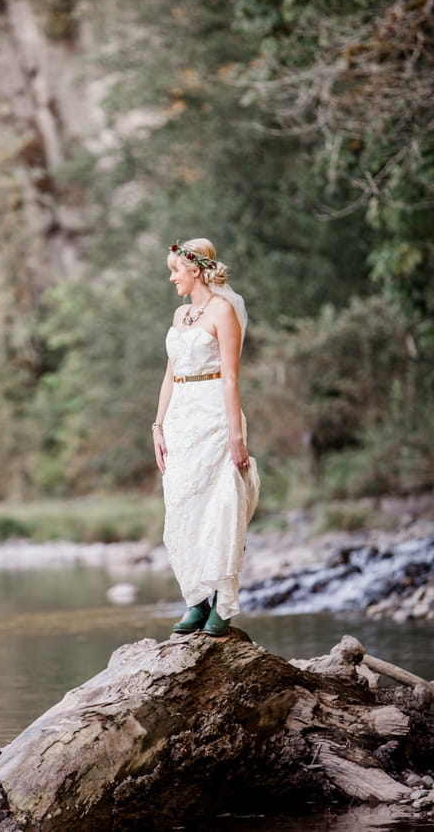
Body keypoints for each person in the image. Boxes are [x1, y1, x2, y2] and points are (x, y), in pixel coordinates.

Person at [152, 238, 260, 636]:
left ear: (195, 270)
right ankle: (195, 600)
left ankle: (221, 603)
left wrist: (236, 435)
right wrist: (158, 426)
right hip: (181, 418)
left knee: (220, 507)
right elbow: (170, 374)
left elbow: (230, 376)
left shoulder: (224, 311)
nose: (171, 277)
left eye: (175, 270)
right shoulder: (181, 316)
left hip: (216, 414)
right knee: (182, 509)